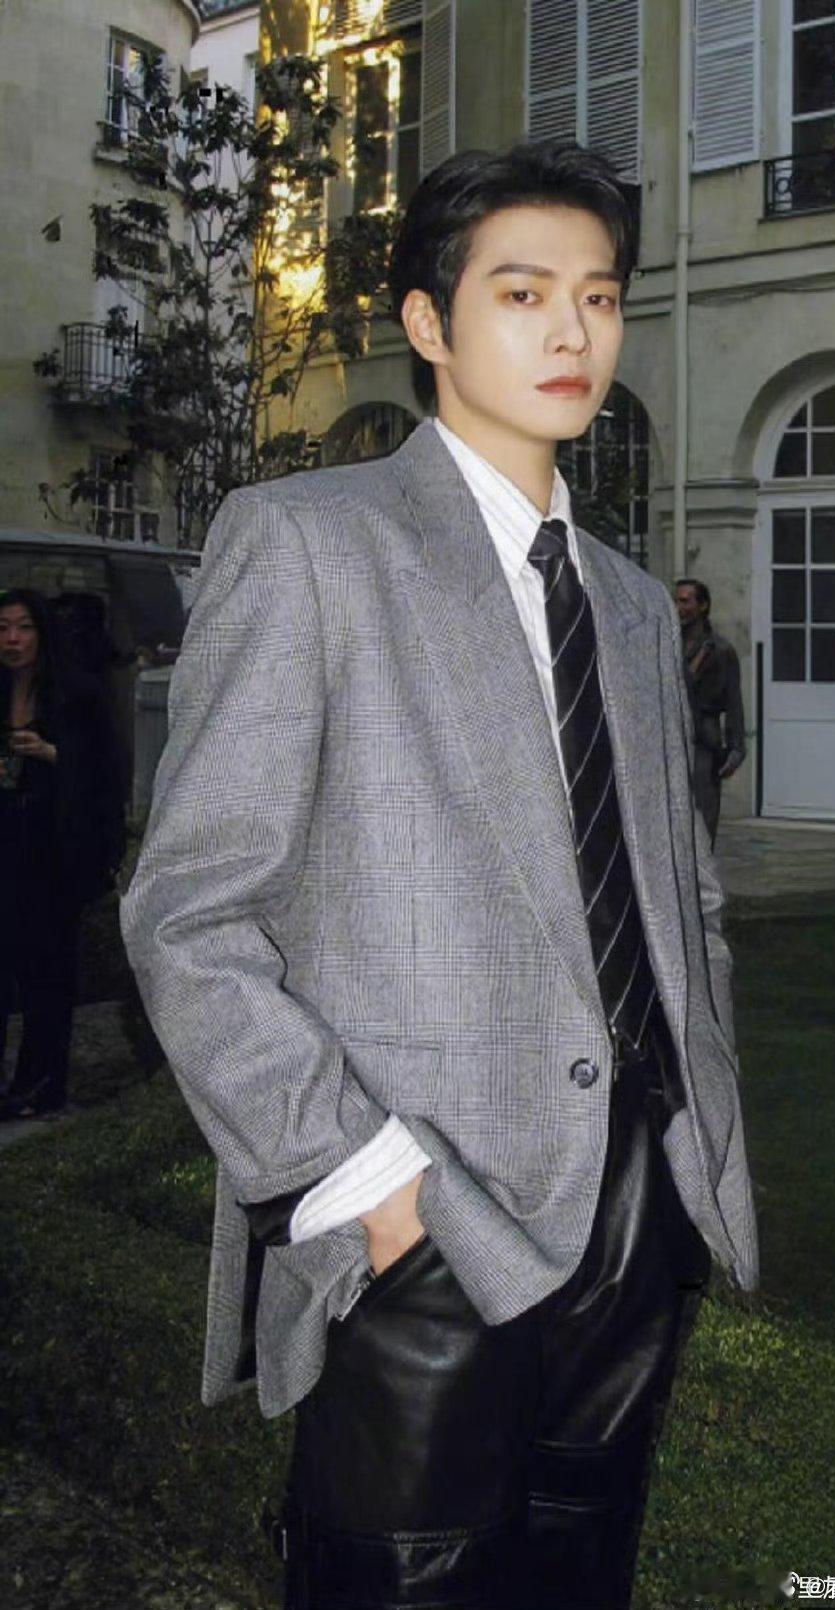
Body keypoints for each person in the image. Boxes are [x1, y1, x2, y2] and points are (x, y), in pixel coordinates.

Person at [121, 140, 757, 1610]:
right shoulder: (306, 543)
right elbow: (189, 913)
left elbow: (685, 893)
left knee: (577, 1575)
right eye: (523, 293)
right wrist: (368, 1183)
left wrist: (695, 1127)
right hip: (427, 1216)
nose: (572, 330)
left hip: (640, 1208)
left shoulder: (629, 605)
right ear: (428, 321)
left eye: (599, 296)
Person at [0, 588, 125, 1119]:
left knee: (47, 973)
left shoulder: (75, 694)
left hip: (51, 853)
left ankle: (41, 1083)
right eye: (3, 628)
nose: (12, 639)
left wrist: (52, 753)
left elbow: (106, 771)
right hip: (5, 843)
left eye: (23, 627)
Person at [674, 578, 747, 849]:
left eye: (685, 601)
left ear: (702, 605)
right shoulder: (670, 645)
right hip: (673, 739)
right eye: (676, 601)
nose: (679, 608)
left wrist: (736, 747)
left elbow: (734, 701)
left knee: (703, 822)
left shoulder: (721, 651)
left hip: (705, 741)